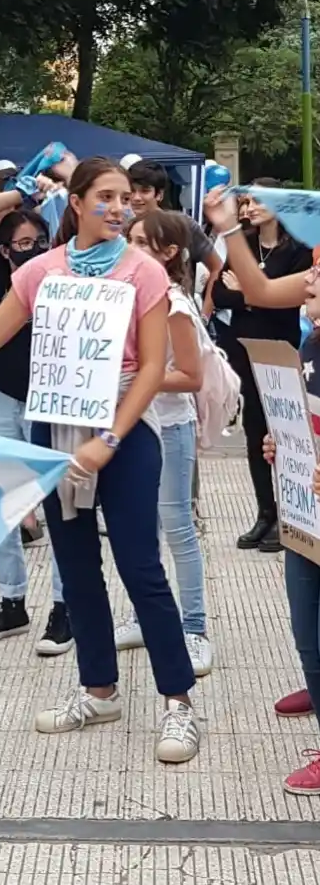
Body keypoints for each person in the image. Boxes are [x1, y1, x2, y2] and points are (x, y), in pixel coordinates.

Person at [0, 157, 200, 762]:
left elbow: (155, 368)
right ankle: (98, 688)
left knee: (141, 568)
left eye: (125, 197)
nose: (118, 206)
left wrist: (110, 438)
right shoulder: (41, 272)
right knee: (76, 568)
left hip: (126, 430)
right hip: (55, 430)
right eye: (104, 195)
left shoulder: (143, 271)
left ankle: (178, 703)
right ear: (75, 202)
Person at [205, 185, 320, 792]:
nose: (310, 287)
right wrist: (227, 228)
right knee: (305, 613)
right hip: (308, 495)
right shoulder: (312, 328)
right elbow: (255, 290)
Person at [0, 208, 73, 654]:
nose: (34, 249)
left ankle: (64, 606)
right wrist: (27, 184)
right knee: (1, 502)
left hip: (49, 404)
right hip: (1, 401)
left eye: (41, 239)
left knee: (56, 503)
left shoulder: (60, 275)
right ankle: (11, 601)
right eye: (23, 242)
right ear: (3, 250)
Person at [114, 211, 212, 676]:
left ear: (169, 252)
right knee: (142, 527)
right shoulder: (131, 296)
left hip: (170, 426)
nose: (130, 249)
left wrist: (139, 380)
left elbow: (192, 376)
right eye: (129, 239)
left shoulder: (173, 302)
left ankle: (194, 628)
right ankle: (143, 615)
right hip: (140, 425)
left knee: (177, 526)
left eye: (142, 242)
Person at [211, 178, 312, 552]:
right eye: (246, 201)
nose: (250, 207)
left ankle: (290, 514)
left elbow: (282, 299)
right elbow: (220, 291)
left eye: (258, 201)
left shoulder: (299, 251)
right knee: (255, 430)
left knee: (284, 432)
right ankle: (264, 511)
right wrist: (250, 293)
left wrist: (249, 290)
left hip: (281, 349)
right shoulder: (244, 245)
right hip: (243, 346)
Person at [129, 160, 223, 313]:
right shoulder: (121, 228)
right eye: (132, 191)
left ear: (159, 194)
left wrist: (204, 315)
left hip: (177, 314)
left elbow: (217, 267)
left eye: (144, 191)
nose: (136, 198)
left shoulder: (181, 225)